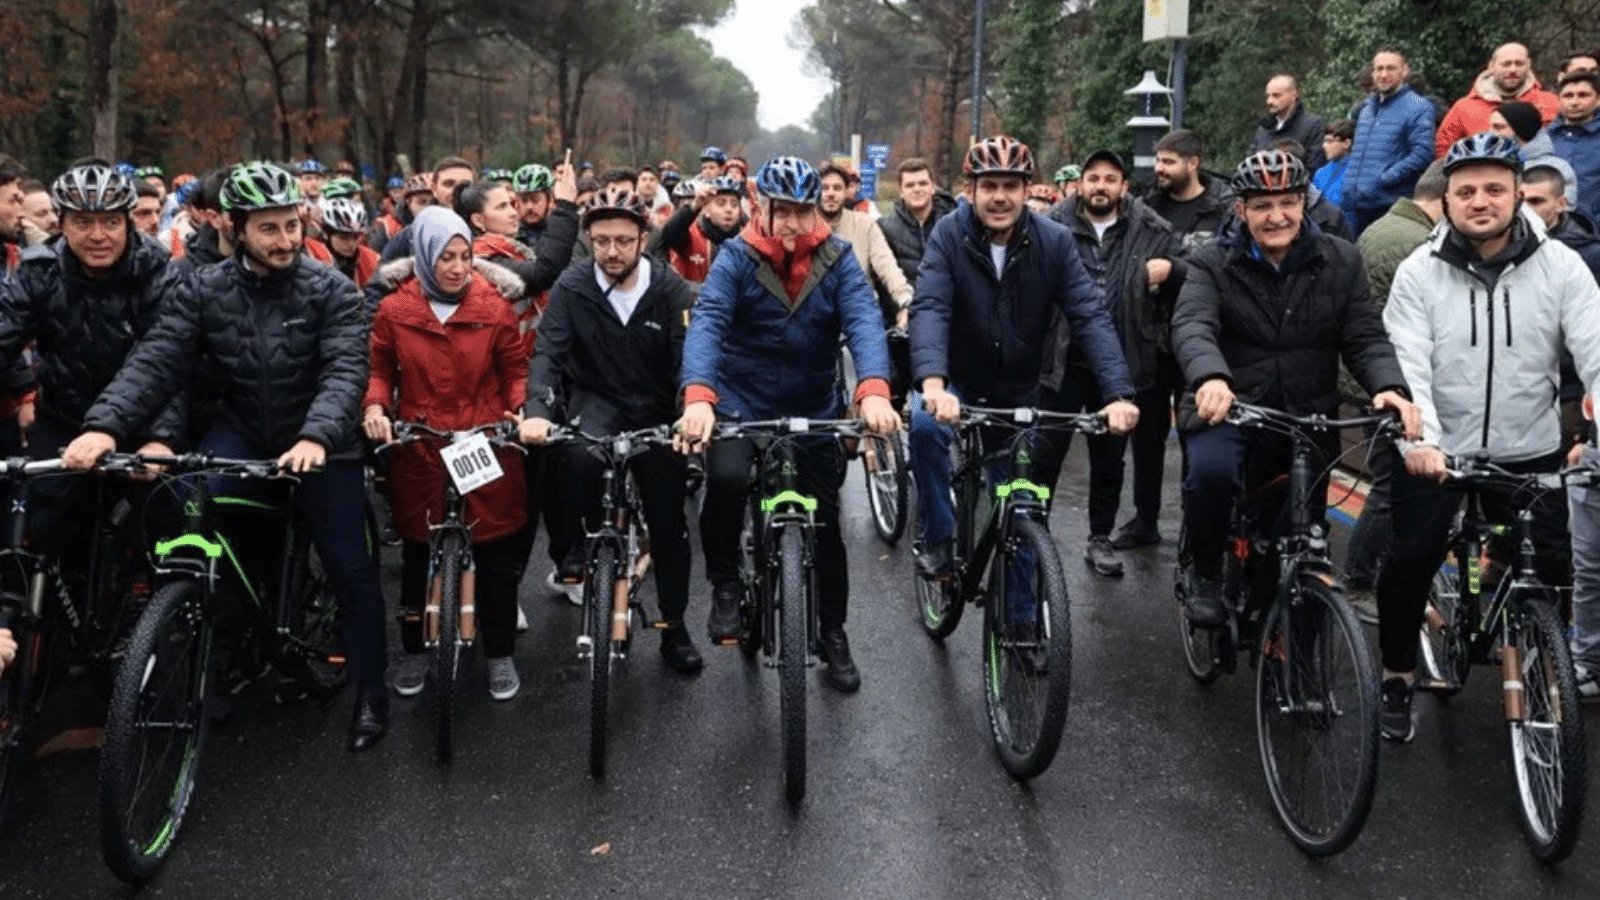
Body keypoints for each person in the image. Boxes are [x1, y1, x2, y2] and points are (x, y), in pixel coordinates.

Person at [62, 161, 392, 753]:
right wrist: (105, 427)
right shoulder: (201, 288)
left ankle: (371, 690)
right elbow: (157, 359)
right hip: (243, 430)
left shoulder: (331, 289)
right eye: (269, 229)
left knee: (350, 567)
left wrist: (317, 436)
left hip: (323, 439)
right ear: (237, 230)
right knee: (190, 512)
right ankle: (219, 645)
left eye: (293, 225)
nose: (286, 240)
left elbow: (346, 370)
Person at [1376, 134, 1600, 740]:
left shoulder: (1561, 266)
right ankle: (1398, 674)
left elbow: (1595, 344)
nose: (1481, 201)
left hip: (1528, 447)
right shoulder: (1418, 272)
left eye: (1494, 189)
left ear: (1517, 194)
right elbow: (1409, 361)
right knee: (1412, 557)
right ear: (1445, 200)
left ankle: (1533, 648)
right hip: (1436, 450)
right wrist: (1423, 443)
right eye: (1466, 191)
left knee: (1552, 565)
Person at [674, 155, 899, 693]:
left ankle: (833, 632)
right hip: (740, 402)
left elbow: (865, 320)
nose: (795, 222)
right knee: (725, 482)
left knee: (826, 528)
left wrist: (872, 389)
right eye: (784, 211)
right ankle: (726, 584)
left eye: (803, 210)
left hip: (813, 405)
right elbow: (708, 322)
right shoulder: (735, 258)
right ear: (764, 208)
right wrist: (700, 398)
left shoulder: (839, 258)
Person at [1171, 149, 1417, 628]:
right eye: (1262, 204)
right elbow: (1192, 325)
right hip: (1230, 408)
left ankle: (1295, 638)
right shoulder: (1210, 262)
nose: (1276, 215)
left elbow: (1364, 335)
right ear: (1240, 209)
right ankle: (1205, 574)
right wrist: (1211, 377)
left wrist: (1388, 387)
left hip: (1307, 415)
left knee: (1304, 535)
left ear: (1304, 203)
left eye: (1287, 201)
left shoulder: (1340, 259)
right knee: (1211, 477)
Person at [909, 136, 1139, 583]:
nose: (999, 197)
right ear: (969, 188)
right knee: (923, 425)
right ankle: (938, 535)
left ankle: (1022, 636)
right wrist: (934, 385)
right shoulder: (948, 235)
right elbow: (931, 307)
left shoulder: (1054, 241)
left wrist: (1118, 393)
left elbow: (1089, 315)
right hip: (955, 379)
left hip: (1018, 390)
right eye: (989, 185)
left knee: (1023, 512)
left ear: (1026, 189)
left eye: (1011, 186)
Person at [521, 187, 703, 672]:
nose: (612, 252)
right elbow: (548, 352)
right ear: (589, 239)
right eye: (601, 241)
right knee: (572, 455)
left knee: (669, 524)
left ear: (644, 238)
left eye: (623, 240)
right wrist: (536, 408)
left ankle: (674, 627)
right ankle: (575, 551)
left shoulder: (669, 289)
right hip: (596, 401)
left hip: (655, 408)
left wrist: (690, 409)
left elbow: (689, 359)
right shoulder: (574, 284)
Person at [362, 206, 529, 701]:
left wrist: (521, 409)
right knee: (417, 553)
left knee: (496, 553)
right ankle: (414, 650)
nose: (457, 268)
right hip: (420, 441)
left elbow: (515, 372)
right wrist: (374, 407)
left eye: (465, 256)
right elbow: (380, 370)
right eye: (446, 258)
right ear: (423, 256)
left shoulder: (494, 307)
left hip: (484, 438)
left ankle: (499, 654)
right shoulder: (395, 310)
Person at [0, 160, 178, 548]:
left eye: (110, 223)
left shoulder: (158, 272)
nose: (98, 236)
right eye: (83, 223)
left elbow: (171, 362)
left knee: (160, 532)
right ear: (61, 224)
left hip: (144, 424)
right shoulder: (40, 270)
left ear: (128, 223)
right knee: (39, 532)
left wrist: (161, 438)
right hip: (65, 418)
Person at [1041, 149, 1183, 573]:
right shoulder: (1049, 224)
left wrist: (1171, 270)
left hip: (1120, 362)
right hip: (1061, 359)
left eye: (1109, 178)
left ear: (1124, 186)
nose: (1100, 185)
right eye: (1093, 178)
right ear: (1080, 184)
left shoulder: (1153, 229)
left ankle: (1099, 537)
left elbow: (1192, 274)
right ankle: (1032, 531)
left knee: (1109, 458)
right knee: (1046, 451)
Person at [1341, 49, 1438, 235]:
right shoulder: (1366, 109)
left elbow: (1423, 154)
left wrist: (1385, 178)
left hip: (1388, 204)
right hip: (1355, 202)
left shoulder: (1418, 107)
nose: (1383, 74)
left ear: (1405, 71)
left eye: (1391, 68)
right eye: (1379, 69)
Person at [816, 162, 912, 324]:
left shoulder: (865, 224)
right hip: (817, 315)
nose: (830, 193)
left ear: (847, 191)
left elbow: (886, 265)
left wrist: (905, 300)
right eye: (825, 188)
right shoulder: (804, 224)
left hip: (860, 313)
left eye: (837, 188)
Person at [1434, 42, 1560, 157]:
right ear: (1491, 66)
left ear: (1529, 65)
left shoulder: (1551, 102)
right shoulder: (1463, 108)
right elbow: (1443, 148)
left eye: (1519, 63)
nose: (1513, 70)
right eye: (1506, 64)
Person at [653, 174, 746, 297]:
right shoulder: (690, 235)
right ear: (706, 210)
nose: (729, 209)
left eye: (734, 205)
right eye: (721, 203)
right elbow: (669, 234)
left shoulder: (746, 240)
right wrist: (693, 206)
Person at [1144, 129, 1233, 249]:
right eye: (1158, 161)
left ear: (1193, 163)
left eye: (1168, 162)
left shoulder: (1223, 208)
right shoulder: (1147, 205)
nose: (1158, 168)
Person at [1491, 100, 1578, 206]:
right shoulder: (1489, 164)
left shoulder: (1558, 169)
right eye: (1491, 127)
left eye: (1499, 127)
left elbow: (1564, 214)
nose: (1491, 133)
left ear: (1521, 130)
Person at [1548, 69, 1600, 220]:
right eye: (1568, 95)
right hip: (1551, 230)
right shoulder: (1545, 139)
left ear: (1597, 99)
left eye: (1583, 95)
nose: (1575, 102)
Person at [1249, 74, 1327, 171]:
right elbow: (1250, 165)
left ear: (1293, 95)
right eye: (1268, 96)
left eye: (1276, 95)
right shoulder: (1263, 130)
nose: (1269, 101)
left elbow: (1315, 166)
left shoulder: (1313, 125)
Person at [318, 196, 380, 289]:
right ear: (328, 235)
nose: (351, 244)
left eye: (355, 237)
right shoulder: (313, 256)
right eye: (344, 237)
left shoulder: (372, 260)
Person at [1312, 118, 1354, 208]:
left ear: (1346, 143)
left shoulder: (1355, 173)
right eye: (1324, 141)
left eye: (1329, 141)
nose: (1324, 146)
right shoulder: (1320, 173)